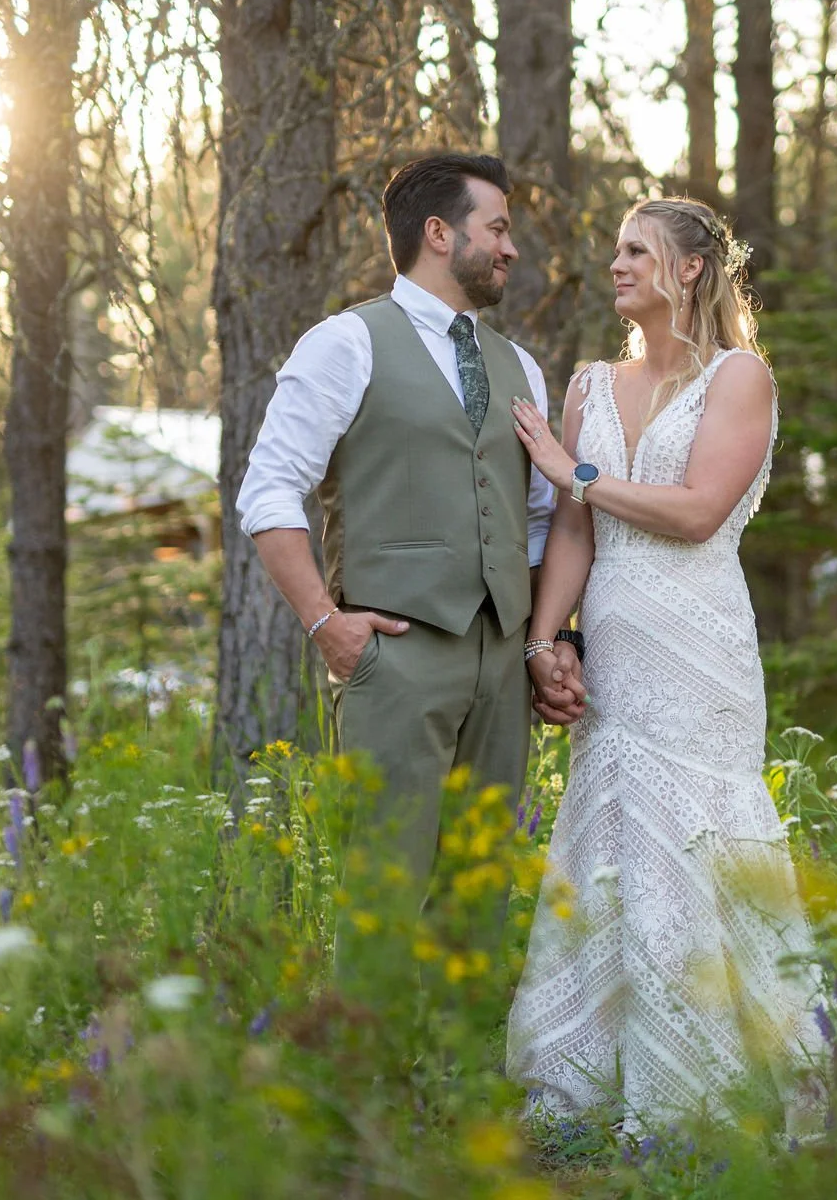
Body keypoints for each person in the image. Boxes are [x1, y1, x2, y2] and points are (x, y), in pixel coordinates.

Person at [503, 196, 827, 1135]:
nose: (617, 264)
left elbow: (695, 511)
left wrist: (578, 473)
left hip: (700, 645)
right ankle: (590, 1084)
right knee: (612, 837)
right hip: (615, 646)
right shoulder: (589, 386)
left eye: (637, 250)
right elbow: (572, 531)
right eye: (615, 250)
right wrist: (542, 641)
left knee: (696, 835)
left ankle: (714, 1088)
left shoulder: (740, 378)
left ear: (690, 269)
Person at [235, 153, 584, 973]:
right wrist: (328, 625)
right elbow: (269, 492)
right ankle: (370, 1089)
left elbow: (536, 518)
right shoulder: (345, 343)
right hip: (393, 654)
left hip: (501, 663)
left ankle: (456, 1087)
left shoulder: (520, 367)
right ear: (439, 232)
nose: (510, 249)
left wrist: (542, 643)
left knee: (481, 886)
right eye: (496, 228)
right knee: (385, 883)